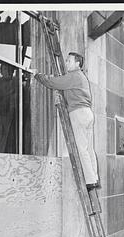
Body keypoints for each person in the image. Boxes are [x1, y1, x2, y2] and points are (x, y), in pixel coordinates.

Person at [34, 52, 99, 190]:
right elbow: (62, 83)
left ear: (77, 64)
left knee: (81, 149)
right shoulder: (80, 77)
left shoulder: (74, 76)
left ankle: (89, 181)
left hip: (78, 113)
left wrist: (37, 75)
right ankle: (94, 177)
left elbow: (53, 83)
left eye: (69, 61)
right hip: (87, 113)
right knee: (89, 148)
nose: (67, 63)